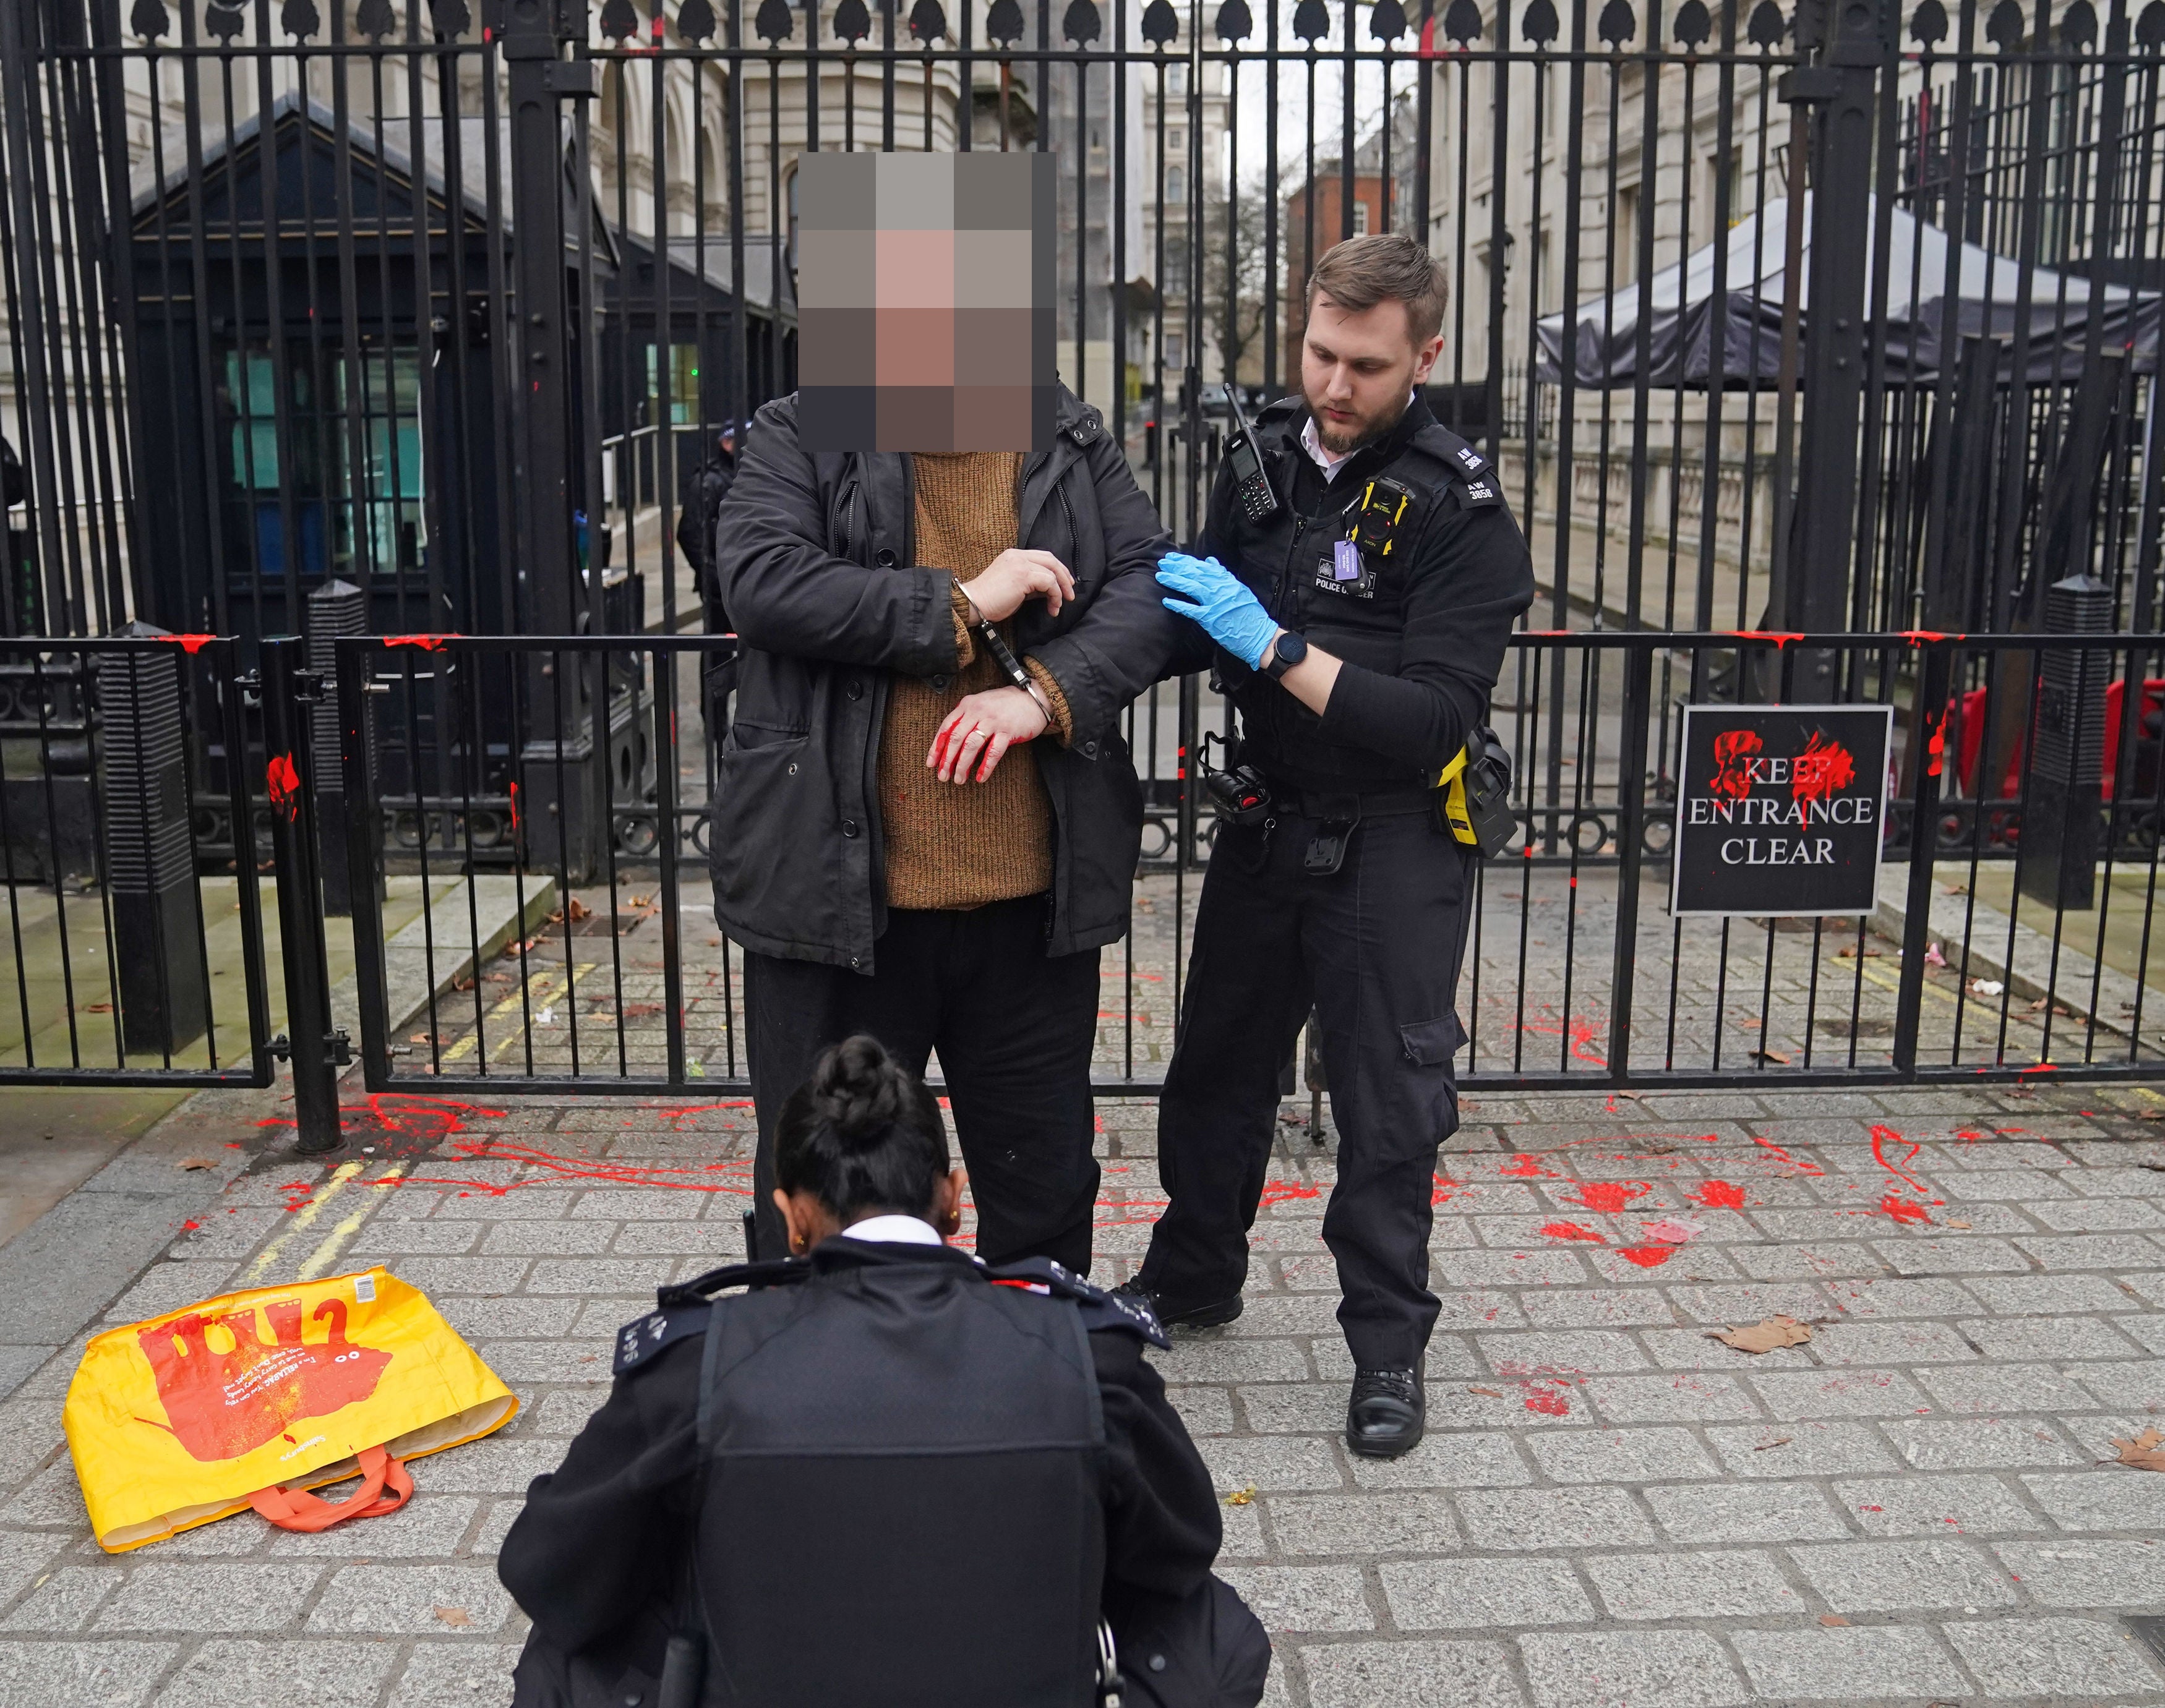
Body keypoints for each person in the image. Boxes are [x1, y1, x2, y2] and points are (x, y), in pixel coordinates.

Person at [499, 1035, 1271, 1708]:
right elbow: (1181, 1548)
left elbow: (549, 1570)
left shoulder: (700, 1364)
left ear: (791, 1218)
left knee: (566, 1650)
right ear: (954, 1199)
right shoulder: (1085, 1354)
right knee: (1210, 1624)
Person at [1118, 233, 1535, 1459]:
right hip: (1266, 815)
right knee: (1215, 1074)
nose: (1334, 385)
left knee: (1386, 1101)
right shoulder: (1264, 466)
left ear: (1424, 355)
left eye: (1364, 363)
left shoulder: (1462, 513)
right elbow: (1197, 623)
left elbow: (1432, 720)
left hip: (1393, 837)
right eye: (1318, 353)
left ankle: (1388, 1345)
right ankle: (1193, 1275)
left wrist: (1273, 647)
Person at [709, 383, 1175, 1275]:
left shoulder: (1063, 432)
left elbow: (1150, 584)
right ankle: (829, 1401)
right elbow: (764, 580)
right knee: (834, 1200)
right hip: (845, 912)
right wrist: (962, 602)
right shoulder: (806, 428)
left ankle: (1023, 1393)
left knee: (1041, 1193)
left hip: (1030, 913)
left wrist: (1045, 695)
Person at [677, 420, 740, 626]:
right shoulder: (708, 481)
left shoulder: (749, 475)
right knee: (718, 648)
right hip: (720, 584)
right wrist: (712, 576)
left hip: (747, 578)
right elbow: (690, 533)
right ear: (727, 443)